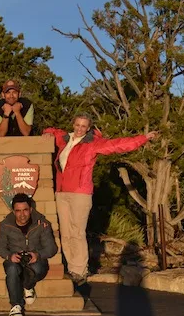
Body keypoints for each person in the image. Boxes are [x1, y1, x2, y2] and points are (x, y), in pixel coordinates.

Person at [42, 114, 158, 283]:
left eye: (83, 126)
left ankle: (80, 270)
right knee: (65, 234)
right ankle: (71, 267)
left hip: (80, 193)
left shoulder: (92, 144)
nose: (80, 128)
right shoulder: (64, 139)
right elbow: (52, 130)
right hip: (61, 192)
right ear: (73, 124)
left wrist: (143, 138)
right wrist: (47, 132)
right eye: (77, 125)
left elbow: (119, 145)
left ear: (89, 128)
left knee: (77, 232)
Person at [0, 193, 57, 316]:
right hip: (15, 260)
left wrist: (37, 254)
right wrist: (9, 256)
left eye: (25, 210)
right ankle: (16, 305)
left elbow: (52, 248)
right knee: (12, 269)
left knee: (38, 268)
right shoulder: (5, 225)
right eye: (18, 211)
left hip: (35, 260)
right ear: (14, 211)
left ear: (30, 209)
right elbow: (1, 247)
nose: (22, 214)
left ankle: (27, 286)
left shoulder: (42, 223)